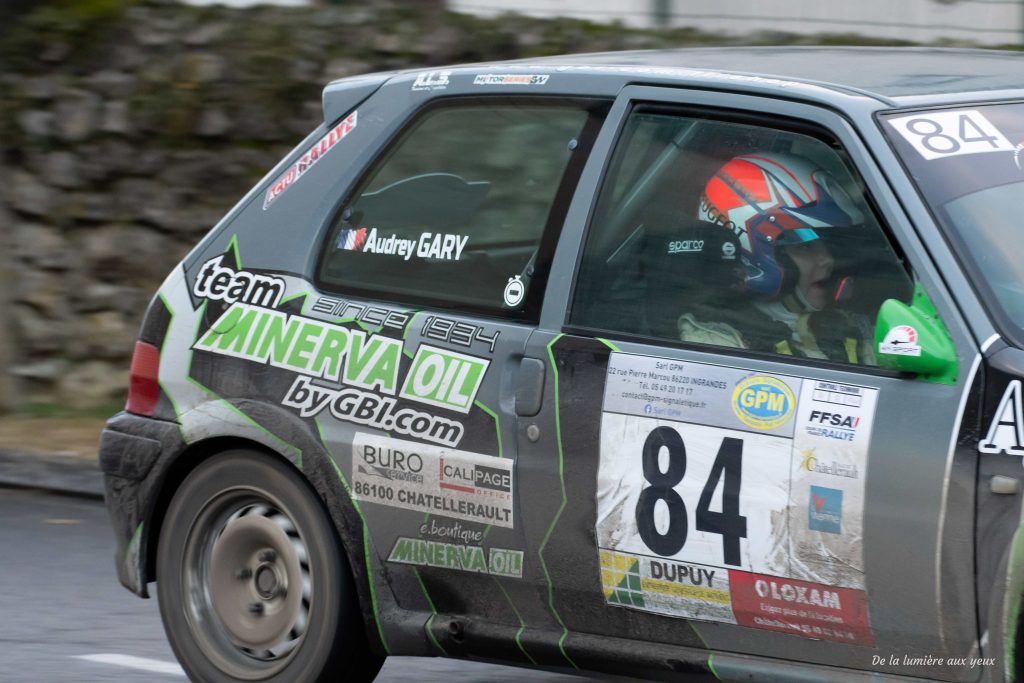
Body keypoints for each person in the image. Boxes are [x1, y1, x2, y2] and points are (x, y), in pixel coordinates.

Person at [679, 152, 875, 365]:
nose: (827, 259)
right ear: (750, 251)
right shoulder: (713, 344)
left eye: (829, 244)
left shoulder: (852, 327)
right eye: (805, 246)